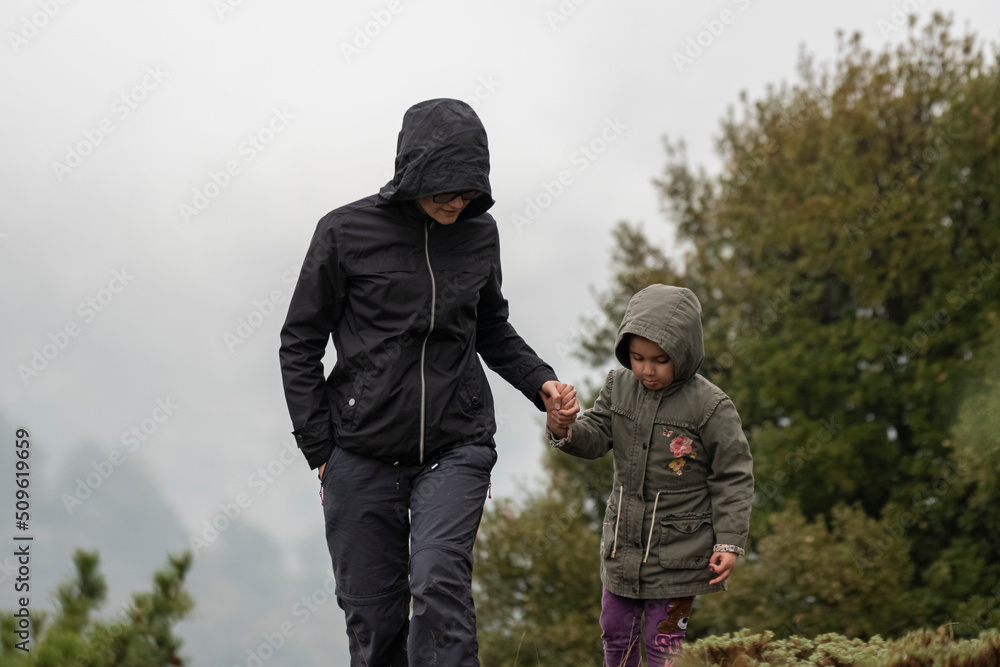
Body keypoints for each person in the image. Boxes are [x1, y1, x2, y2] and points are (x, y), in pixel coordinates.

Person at [278, 98, 573, 666]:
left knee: (439, 580)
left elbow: (490, 326)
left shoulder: (478, 234)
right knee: (375, 618)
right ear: (414, 172)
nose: (459, 201)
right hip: (359, 452)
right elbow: (299, 341)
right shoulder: (343, 232)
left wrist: (543, 384)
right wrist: (320, 447)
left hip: (455, 444)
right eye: (446, 187)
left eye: (469, 190)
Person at [545, 284, 754, 667]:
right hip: (621, 547)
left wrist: (729, 542)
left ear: (685, 353)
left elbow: (733, 476)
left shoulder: (711, 406)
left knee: (664, 642)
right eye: (638, 357)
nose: (646, 369)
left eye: (659, 359)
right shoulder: (617, 386)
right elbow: (595, 436)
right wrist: (565, 428)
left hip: (679, 553)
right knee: (614, 631)